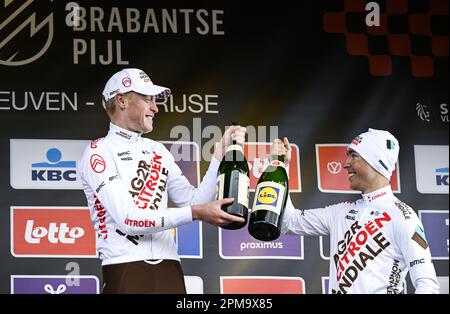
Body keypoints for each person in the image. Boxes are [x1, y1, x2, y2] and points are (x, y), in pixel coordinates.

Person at [77, 68, 246, 293]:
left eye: (155, 101)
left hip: (170, 270)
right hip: (126, 269)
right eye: (147, 99)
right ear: (121, 100)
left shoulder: (157, 150)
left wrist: (218, 156)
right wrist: (197, 212)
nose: (155, 108)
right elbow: (128, 220)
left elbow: (193, 200)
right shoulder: (98, 152)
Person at [273, 129, 439, 294]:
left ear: (376, 161)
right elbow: (289, 222)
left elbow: (427, 285)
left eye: (354, 156)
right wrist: (281, 166)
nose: (345, 163)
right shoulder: (340, 212)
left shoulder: (403, 216)